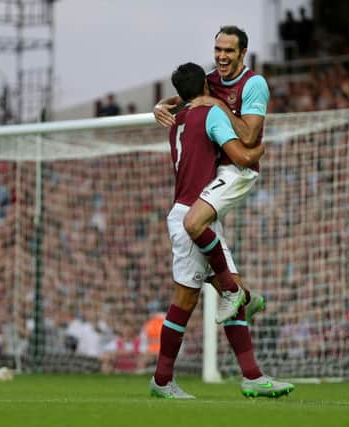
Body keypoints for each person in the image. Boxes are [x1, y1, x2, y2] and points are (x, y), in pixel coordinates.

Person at [149, 62, 293, 399]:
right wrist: (259, 150)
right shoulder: (210, 115)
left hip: (189, 211)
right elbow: (240, 155)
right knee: (195, 299)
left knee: (226, 296)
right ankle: (161, 380)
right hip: (194, 215)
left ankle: (251, 375)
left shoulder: (177, 122)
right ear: (205, 88)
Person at [154, 26, 269, 324]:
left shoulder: (253, 84)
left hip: (239, 169)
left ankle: (233, 292)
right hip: (219, 171)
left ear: (243, 53)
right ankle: (244, 296)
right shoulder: (211, 80)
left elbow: (249, 135)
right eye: (218, 49)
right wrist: (159, 106)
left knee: (192, 222)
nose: (221, 56)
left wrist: (217, 104)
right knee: (206, 250)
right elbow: (186, 97)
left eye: (229, 51)